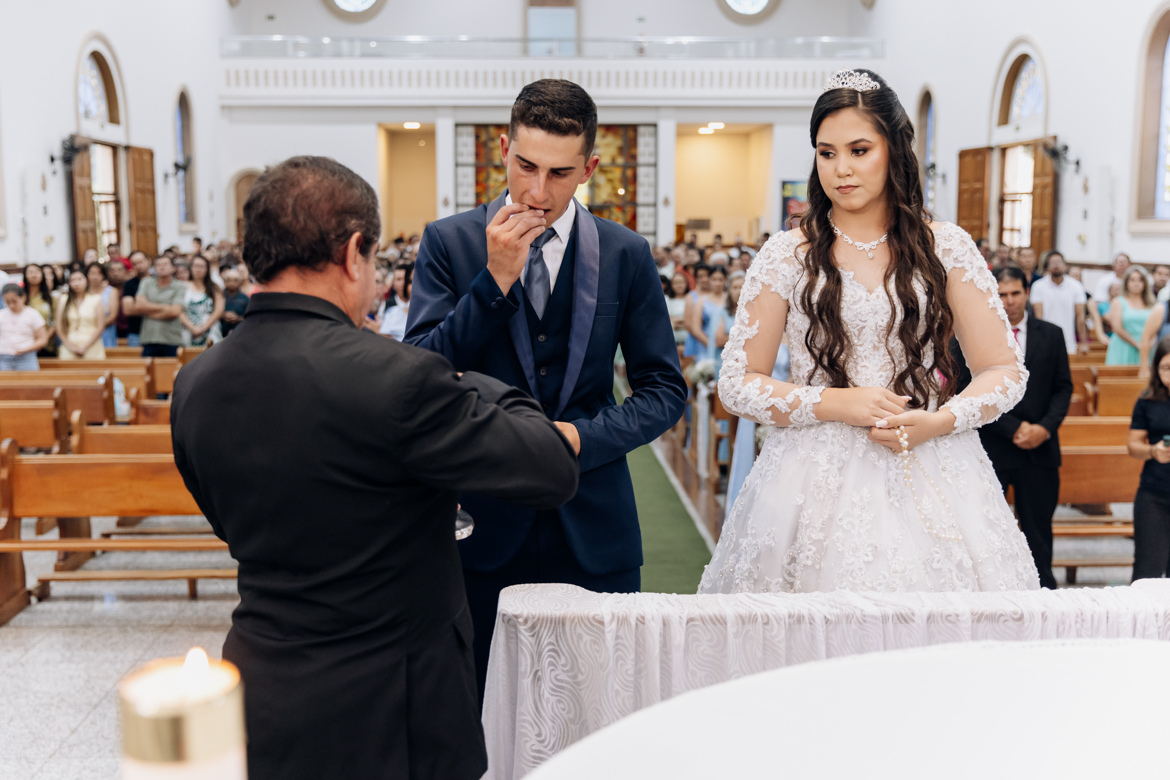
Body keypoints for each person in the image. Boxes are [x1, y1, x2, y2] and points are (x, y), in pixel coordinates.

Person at [172, 156, 579, 780]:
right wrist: (471, 383)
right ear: (352, 253)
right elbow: (550, 468)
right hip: (393, 704)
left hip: (262, 686)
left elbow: (230, 522)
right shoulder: (399, 377)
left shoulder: (195, 383)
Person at [698, 69, 1039, 594]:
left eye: (859, 150)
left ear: (893, 150)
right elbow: (737, 384)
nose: (841, 169)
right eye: (826, 153)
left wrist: (940, 421)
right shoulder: (786, 254)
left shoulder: (945, 247)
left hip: (930, 462)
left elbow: (1004, 369)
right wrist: (835, 402)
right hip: (811, 474)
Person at [406, 78, 687, 694]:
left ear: (589, 168)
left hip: (594, 522)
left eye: (559, 173)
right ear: (504, 149)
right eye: (525, 166)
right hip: (477, 524)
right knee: (477, 705)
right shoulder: (449, 243)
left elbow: (664, 390)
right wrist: (493, 283)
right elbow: (420, 375)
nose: (537, 192)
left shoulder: (626, 252)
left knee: (599, 704)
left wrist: (582, 439)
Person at [955, 267, 1071, 589]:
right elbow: (965, 389)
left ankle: (1044, 592)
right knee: (987, 527)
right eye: (1002, 294)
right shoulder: (973, 335)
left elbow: (1063, 388)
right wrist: (1013, 428)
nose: (1009, 301)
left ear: (1027, 292)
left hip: (1040, 450)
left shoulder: (1052, 334)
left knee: (1038, 529)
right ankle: (993, 593)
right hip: (994, 446)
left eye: (1015, 293)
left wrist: (1043, 429)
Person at [1129, 335, 1170, 581]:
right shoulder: (1148, 399)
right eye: (1166, 368)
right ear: (1157, 369)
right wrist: (1153, 451)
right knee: (1147, 571)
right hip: (1155, 494)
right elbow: (1133, 445)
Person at [1029, 250, 1089, 355]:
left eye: (1059, 262)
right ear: (1047, 266)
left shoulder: (1076, 286)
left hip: (1069, 341)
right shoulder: (1038, 286)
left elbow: (1080, 317)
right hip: (1046, 341)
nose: (1056, 266)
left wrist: (1083, 342)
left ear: (1065, 265)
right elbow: (1039, 318)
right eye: (1052, 263)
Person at [136, 255, 187, 358]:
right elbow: (139, 306)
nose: (162, 267)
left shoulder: (180, 286)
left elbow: (175, 311)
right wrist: (166, 307)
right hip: (149, 338)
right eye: (158, 265)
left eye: (165, 264)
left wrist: (148, 312)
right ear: (154, 269)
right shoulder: (146, 282)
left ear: (173, 268)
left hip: (171, 339)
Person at [1106, 266, 1155, 365]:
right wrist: (1137, 344)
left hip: (1146, 346)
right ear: (1126, 283)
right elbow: (1117, 328)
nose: (1136, 284)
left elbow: (1156, 327)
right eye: (1132, 280)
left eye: (1140, 280)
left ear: (1145, 283)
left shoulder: (1151, 303)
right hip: (1123, 345)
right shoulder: (1118, 302)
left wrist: (1149, 344)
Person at [56, 269, 106, 359]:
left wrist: (85, 347)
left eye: (80, 279)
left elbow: (100, 326)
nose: (76, 283)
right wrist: (71, 347)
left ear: (86, 280)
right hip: (69, 346)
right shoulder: (63, 299)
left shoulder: (96, 299)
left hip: (92, 345)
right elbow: (59, 327)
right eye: (72, 280)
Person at [0, 284, 49, 370]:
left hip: (26, 357)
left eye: (14, 301)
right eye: (7, 302)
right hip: (4, 357)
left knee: (30, 378)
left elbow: (43, 339)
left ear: (23, 297)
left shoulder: (33, 314)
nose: (11, 305)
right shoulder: (2, 314)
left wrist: (26, 349)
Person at [179, 255, 224, 346]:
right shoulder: (182, 286)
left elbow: (219, 310)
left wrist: (204, 327)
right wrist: (192, 328)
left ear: (207, 269)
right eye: (196, 266)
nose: (198, 269)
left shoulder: (215, 287)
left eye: (202, 266)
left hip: (211, 330)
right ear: (191, 267)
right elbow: (179, 310)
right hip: (188, 330)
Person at [23, 264, 57, 358]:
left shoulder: (50, 298)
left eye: (37, 272)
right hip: (25, 344)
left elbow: (54, 323)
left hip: (47, 345)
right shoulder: (21, 297)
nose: (34, 275)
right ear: (25, 275)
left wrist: (43, 339)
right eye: (30, 272)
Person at [86, 262, 120, 349]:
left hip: (106, 331)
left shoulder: (111, 291)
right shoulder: (83, 292)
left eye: (99, 273)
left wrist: (97, 327)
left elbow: (112, 316)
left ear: (103, 275)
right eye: (92, 273)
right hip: (86, 333)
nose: (95, 277)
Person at [379, 263, 413, 341]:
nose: (403, 283)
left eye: (406, 279)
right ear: (393, 283)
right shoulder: (386, 306)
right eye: (399, 279)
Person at [219, 267, 249, 337]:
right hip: (220, 332)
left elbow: (249, 318)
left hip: (240, 333)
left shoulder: (245, 299)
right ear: (224, 281)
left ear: (240, 282)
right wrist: (223, 315)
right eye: (229, 280)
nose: (232, 283)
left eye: (235, 280)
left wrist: (238, 318)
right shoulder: (219, 296)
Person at [665, 272, 690, 346]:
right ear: (671, 285)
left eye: (681, 282)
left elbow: (694, 321)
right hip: (672, 342)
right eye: (676, 283)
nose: (679, 285)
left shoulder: (691, 299)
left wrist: (675, 322)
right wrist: (686, 322)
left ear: (686, 284)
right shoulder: (667, 300)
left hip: (689, 342)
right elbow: (667, 320)